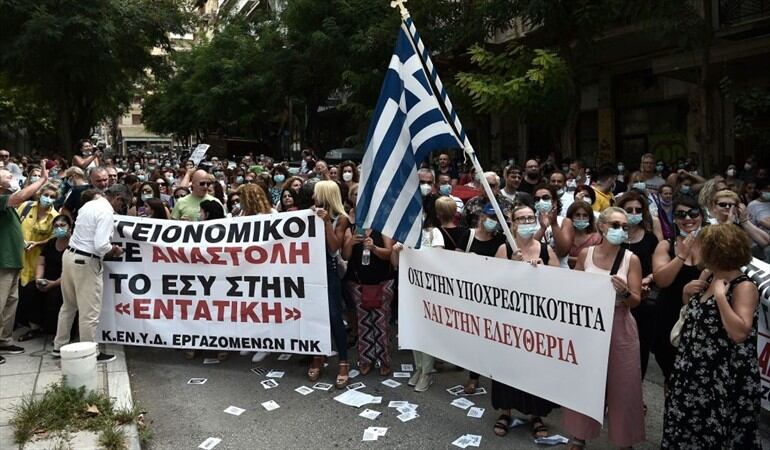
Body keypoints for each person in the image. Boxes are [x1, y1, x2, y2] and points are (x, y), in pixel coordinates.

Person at [661, 224, 761, 448]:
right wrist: (687, 294)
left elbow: (739, 333)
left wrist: (721, 299)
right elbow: (699, 318)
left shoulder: (742, 287)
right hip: (692, 373)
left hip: (721, 379)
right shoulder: (707, 275)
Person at [563, 207, 645, 450]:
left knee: (624, 384)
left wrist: (625, 293)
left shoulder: (631, 259)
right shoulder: (586, 254)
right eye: (615, 225)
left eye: (624, 226)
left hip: (619, 324)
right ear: (602, 226)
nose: (620, 230)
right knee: (584, 380)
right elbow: (572, 289)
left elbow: (636, 300)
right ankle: (579, 435)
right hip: (588, 326)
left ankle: (624, 440)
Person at [491, 204, 558, 439]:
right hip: (510, 320)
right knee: (508, 366)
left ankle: (535, 414)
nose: (527, 221)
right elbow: (494, 285)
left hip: (538, 322)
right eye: (522, 218)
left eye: (531, 217)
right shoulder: (503, 248)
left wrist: (544, 273)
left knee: (536, 368)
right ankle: (506, 411)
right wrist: (512, 264)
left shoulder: (547, 250)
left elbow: (562, 285)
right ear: (513, 223)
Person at [52, 184, 131, 363]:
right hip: (86, 261)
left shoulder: (89, 205)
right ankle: (89, 352)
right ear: (118, 198)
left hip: (70, 256)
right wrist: (114, 250)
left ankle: (59, 345)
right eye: (122, 204)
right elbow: (101, 245)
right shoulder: (105, 212)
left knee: (68, 306)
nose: (121, 208)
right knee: (89, 312)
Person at [341, 197, 396, 385]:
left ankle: (384, 360)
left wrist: (373, 248)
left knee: (381, 323)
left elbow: (390, 254)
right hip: (359, 284)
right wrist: (351, 243)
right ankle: (366, 359)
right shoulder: (353, 229)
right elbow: (345, 256)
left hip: (383, 283)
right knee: (364, 323)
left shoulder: (385, 229)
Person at [0, 163, 49, 363]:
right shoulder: (4, 200)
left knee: (10, 304)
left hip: (12, 261)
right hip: (3, 262)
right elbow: (20, 196)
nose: (11, 178)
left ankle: (4, 340)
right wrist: (42, 180)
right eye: (6, 176)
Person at [651, 194, 704, 382]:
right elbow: (662, 281)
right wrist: (681, 256)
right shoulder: (666, 246)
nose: (688, 219)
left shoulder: (711, 245)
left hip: (702, 320)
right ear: (674, 219)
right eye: (681, 215)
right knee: (672, 375)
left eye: (693, 213)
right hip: (670, 317)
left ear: (701, 216)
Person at [457, 203, 506, 393]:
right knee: (475, 337)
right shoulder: (467, 235)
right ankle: (473, 377)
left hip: (493, 296)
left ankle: (498, 377)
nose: (491, 222)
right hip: (471, 295)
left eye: (496, 219)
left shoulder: (502, 240)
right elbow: (455, 261)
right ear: (481, 216)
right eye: (489, 217)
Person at [307, 181, 350, 389]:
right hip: (310, 271)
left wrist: (325, 223)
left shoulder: (341, 219)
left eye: (317, 194)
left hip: (329, 272)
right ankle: (318, 357)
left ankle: (343, 362)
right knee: (314, 316)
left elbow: (334, 248)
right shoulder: (308, 215)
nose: (314, 197)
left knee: (334, 317)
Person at [618, 191, 659, 380]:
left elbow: (657, 269)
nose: (634, 213)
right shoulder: (612, 237)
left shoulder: (650, 239)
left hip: (642, 302)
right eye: (629, 210)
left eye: (638, 210)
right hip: (616, 302)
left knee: (640, 349)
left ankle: (635, 394)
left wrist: (646, 279)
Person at [15, 183, 59, 339]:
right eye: (46, 195)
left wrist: (37, 244)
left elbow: (54, 238)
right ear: (40, 194)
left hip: (36, 258)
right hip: (17, 254)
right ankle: (16, 322)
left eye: (53, 197)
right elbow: (14, 224)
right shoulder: (26, 207)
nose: (48, 199)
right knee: (14, 290)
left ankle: (34, 326)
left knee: (30, 292)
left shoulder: (54, 216)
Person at [30, 215, 73, 338]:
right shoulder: (50, 243)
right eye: (56, 226)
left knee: (55, 295)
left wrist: (54, 283)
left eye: (62, 225)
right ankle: (35, 327)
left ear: (69, 227)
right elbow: (41, 263)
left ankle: (55, 331)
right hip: (46, 278)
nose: (59, 228)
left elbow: (71, 271)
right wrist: (39, 279)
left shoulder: (74, 244)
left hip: (64, 280)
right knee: (29, 290)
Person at [565, 202, 602, 269]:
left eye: (585, 215)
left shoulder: (596, 238)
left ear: (590, 218)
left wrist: (567, 259)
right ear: (571, 217)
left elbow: (594, 261)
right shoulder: (564, 235)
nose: (581, 218)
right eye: (577, 215)